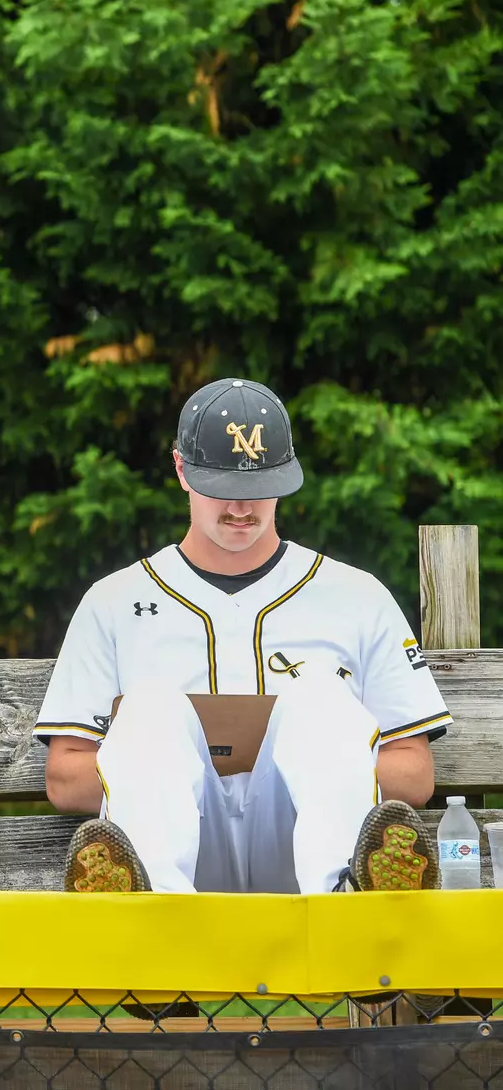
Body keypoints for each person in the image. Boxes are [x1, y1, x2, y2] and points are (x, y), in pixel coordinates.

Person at [37, 378, 449, 895]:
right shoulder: (113, 601)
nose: (240, 509)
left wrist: (317, 764)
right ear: (181, 470)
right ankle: (149, 915)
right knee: (150, 708)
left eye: (257, 489)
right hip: (167, 841)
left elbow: (415, 774)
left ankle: (343, 903)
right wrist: (163, 770)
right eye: (222, 489)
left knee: (319, 696)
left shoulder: (357, 595)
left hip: (302, 838)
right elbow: (63, 777)